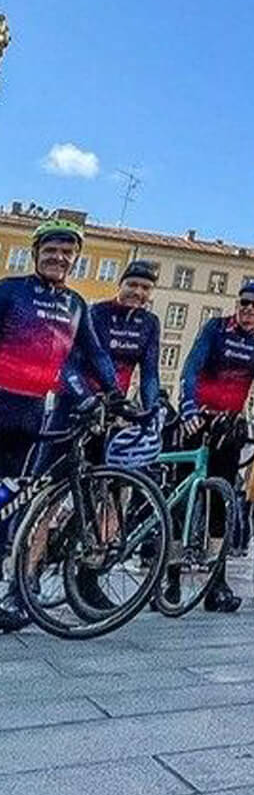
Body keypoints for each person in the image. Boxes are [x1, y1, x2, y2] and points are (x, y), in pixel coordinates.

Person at [0, 219, 119, 630]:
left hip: (33, 412)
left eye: (67, 252)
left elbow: (96, 353)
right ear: (36, 253)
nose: (58, 257)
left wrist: (115, 394)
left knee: (18, 500)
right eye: (51, 250)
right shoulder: (10, 290)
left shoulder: (75, 305)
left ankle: (16, 592)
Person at [179, 277, 254, 613]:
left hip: (231, 423)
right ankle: (170, 579)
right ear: (238, 303)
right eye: (244, 302)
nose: (249, 309)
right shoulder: (216, 328)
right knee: (184, 498)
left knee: (221, 501)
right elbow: (191, 367)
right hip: (199, 418)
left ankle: (217, 581)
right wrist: (189, 407)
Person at [89, 260, 161, 412]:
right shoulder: (96, 313)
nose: (138, 292)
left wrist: (152, 410)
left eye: (146, 288)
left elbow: (150, 374)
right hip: (80, 400)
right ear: (120, 285)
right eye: (132, 285)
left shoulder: (150, 323)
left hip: (116, 405)